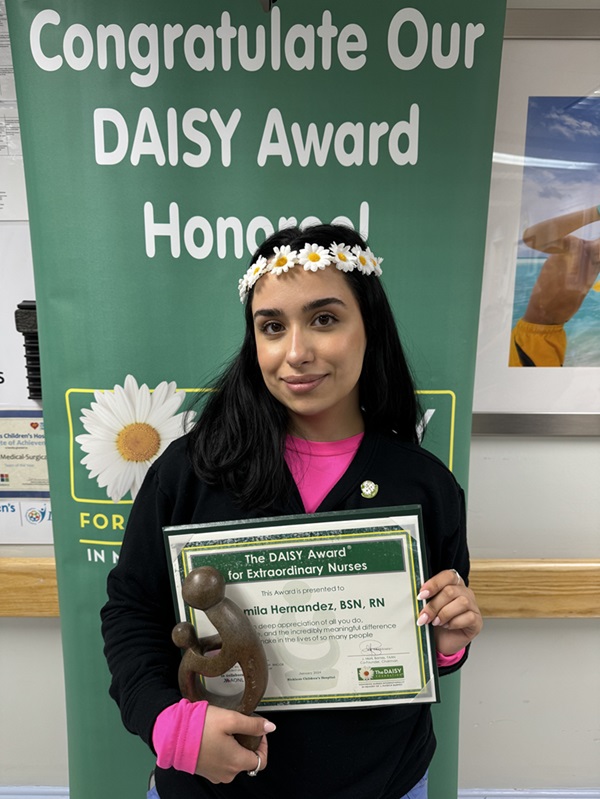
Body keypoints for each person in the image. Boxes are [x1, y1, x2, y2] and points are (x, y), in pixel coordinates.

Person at [101, 223, 483, 799]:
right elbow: (131, 611)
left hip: (381, 784)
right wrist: (168, 725)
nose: (296, 352)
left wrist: (449, 641)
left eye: (325, 319)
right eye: (272, 327)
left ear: (369, 329)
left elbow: (434, 644)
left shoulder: (425, 485)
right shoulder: (190, 471)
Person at [510, 204, 600, 367]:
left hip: (556, 335)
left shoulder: (597, 264)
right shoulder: (575, 247)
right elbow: (531, 237)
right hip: (533, 336)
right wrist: (595, 212)